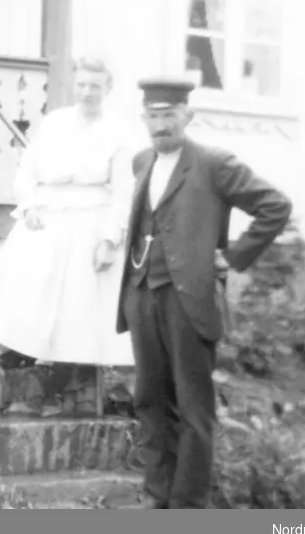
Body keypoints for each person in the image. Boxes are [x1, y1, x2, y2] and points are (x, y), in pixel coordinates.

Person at [117, 77, 292, 509]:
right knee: (150, 399)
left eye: (169, 116)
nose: (161, 125)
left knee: (194, 410)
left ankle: (189, 506)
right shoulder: (141, 160)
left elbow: (275, 206)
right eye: (153, 116)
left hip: (188, 300)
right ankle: (158, 498)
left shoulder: (214, 163)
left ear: (187, 116)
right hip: (141, 295)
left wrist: (232, 258)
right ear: (144, 118)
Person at [0, 56, 136, 370]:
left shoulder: (118, 131)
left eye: (95, 86)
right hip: (46, 214)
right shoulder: (55, 122)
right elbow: (27, 170)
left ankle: (71, 362)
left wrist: (110, 239)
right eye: (81, 84)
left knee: (77, 294)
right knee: (27, 279)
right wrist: (29, 205)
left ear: (108, 88)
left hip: (90, 217)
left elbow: (123, 191)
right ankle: (20, 347)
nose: (87, 92)